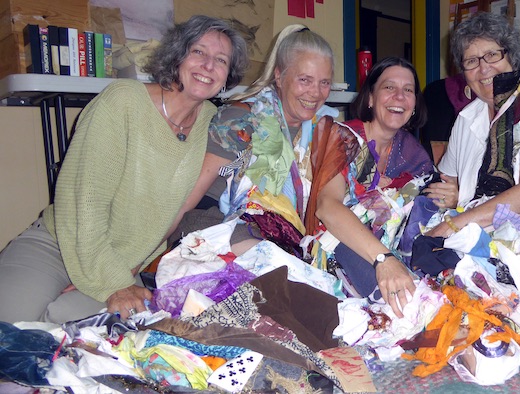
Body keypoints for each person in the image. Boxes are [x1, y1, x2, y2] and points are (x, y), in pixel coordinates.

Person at [0, 15, 248, 324]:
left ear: (227, 77)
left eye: (221, 60)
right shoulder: (123, 102)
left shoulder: (214, 124)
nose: (208, 65)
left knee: (64, 336)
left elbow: (186, 208)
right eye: (198, 52)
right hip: (60, 243)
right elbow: (85, 204)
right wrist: (109, 278)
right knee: (11, 326)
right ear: (177, 55)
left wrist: (122, 274)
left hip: (127, 265)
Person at [175, 24, 343, 257]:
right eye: (305, 80)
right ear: (279, 76)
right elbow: (191, 200)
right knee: (281, 266)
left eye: (324, 82)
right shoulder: (241, 120)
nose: (315, 93)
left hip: (294, 238)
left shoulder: (325, 132)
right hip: (220, 226)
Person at [425, 11, 520, 237]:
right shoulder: (467, 117)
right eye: (471, 61)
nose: (483, 68)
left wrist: (451, 226)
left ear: (512, 58)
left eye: (492, 54)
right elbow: (446, 176)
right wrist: (454, 194)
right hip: (478, 238)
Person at [315, 57, 434, 317]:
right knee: (405, 309)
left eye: (408, 90)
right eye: (389, 87)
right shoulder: (344, 139)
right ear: (370, 98)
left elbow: (426, 194)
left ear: (415, 104)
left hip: (387, 249)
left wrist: (449, 193)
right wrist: (384, 260)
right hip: (336, 247)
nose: (399, 97)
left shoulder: (412, 152)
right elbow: (327, 207)